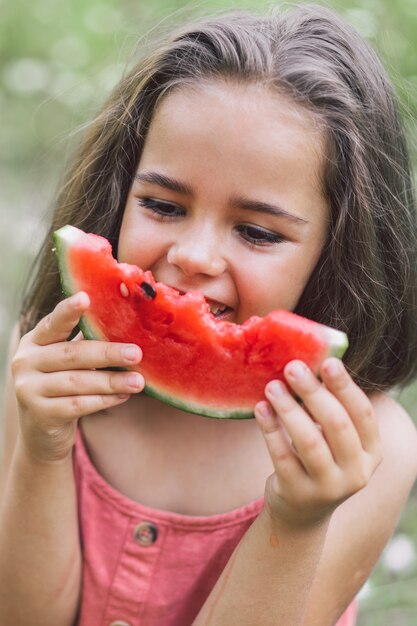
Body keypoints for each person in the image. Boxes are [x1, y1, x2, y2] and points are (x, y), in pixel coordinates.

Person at [1, 3, 417, 625]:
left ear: (342, 249)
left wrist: (296, 521)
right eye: (163, 206)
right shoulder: (55, 370)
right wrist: (41, 448)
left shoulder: (365, 451)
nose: (193, 257)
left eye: (255, 230)